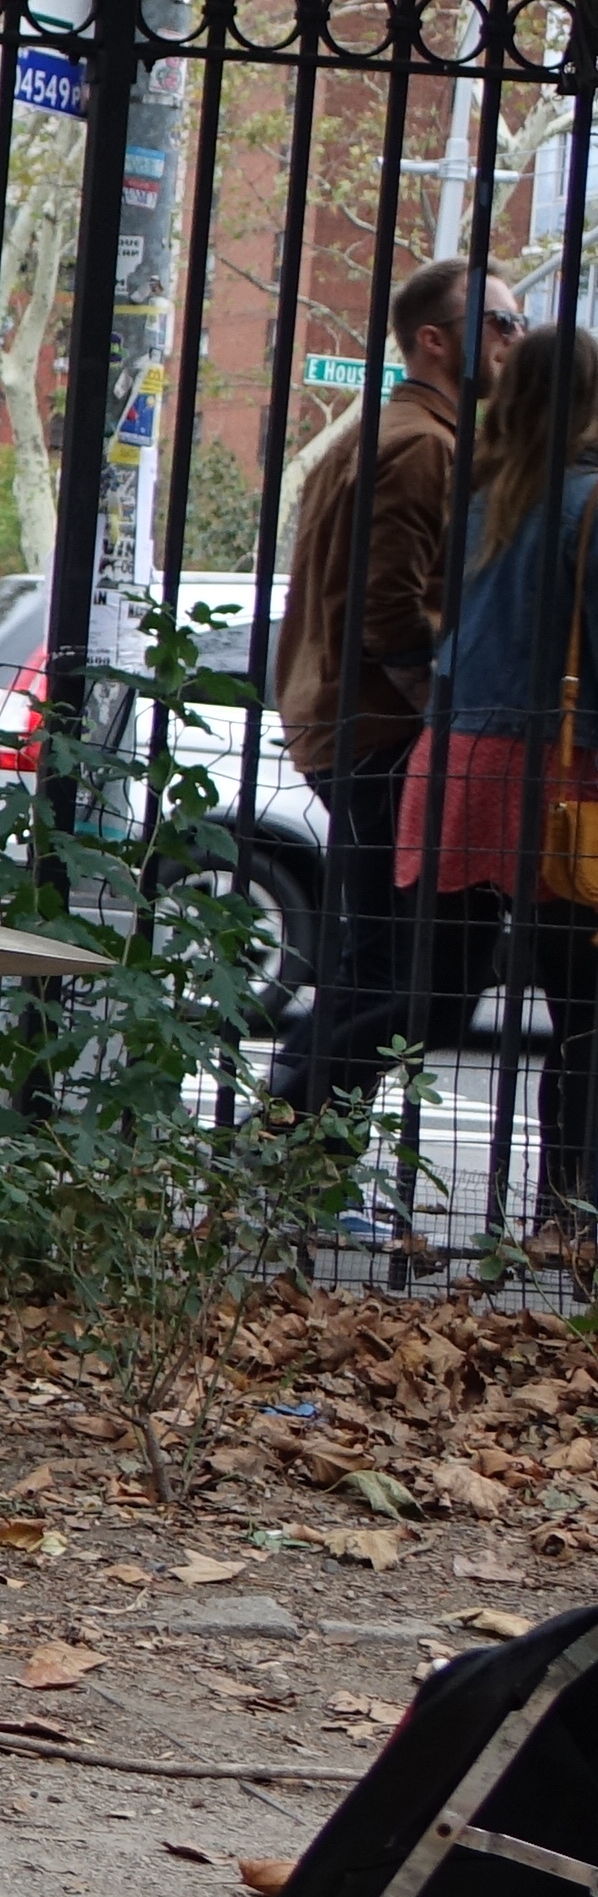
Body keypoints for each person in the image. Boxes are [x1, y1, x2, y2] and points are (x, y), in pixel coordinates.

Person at [274, 259, 513, 1116]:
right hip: (379, 737)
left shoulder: (389, 430)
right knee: (428, 985)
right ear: (434, 339)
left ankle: (294, 1160)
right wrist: (441, 721)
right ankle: (284, 1146)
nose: (514, 341)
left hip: (350, 728)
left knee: (374, 968)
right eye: (501, 323)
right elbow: (388, 610)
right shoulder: (422, 445)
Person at [386, 321, 598, 1222]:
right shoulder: (589, 502)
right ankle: (567, 1210)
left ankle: (295, 1137)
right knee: (585, 1014)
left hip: (458, 762)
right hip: (557, 774)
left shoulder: (478, 494)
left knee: (422, 999)